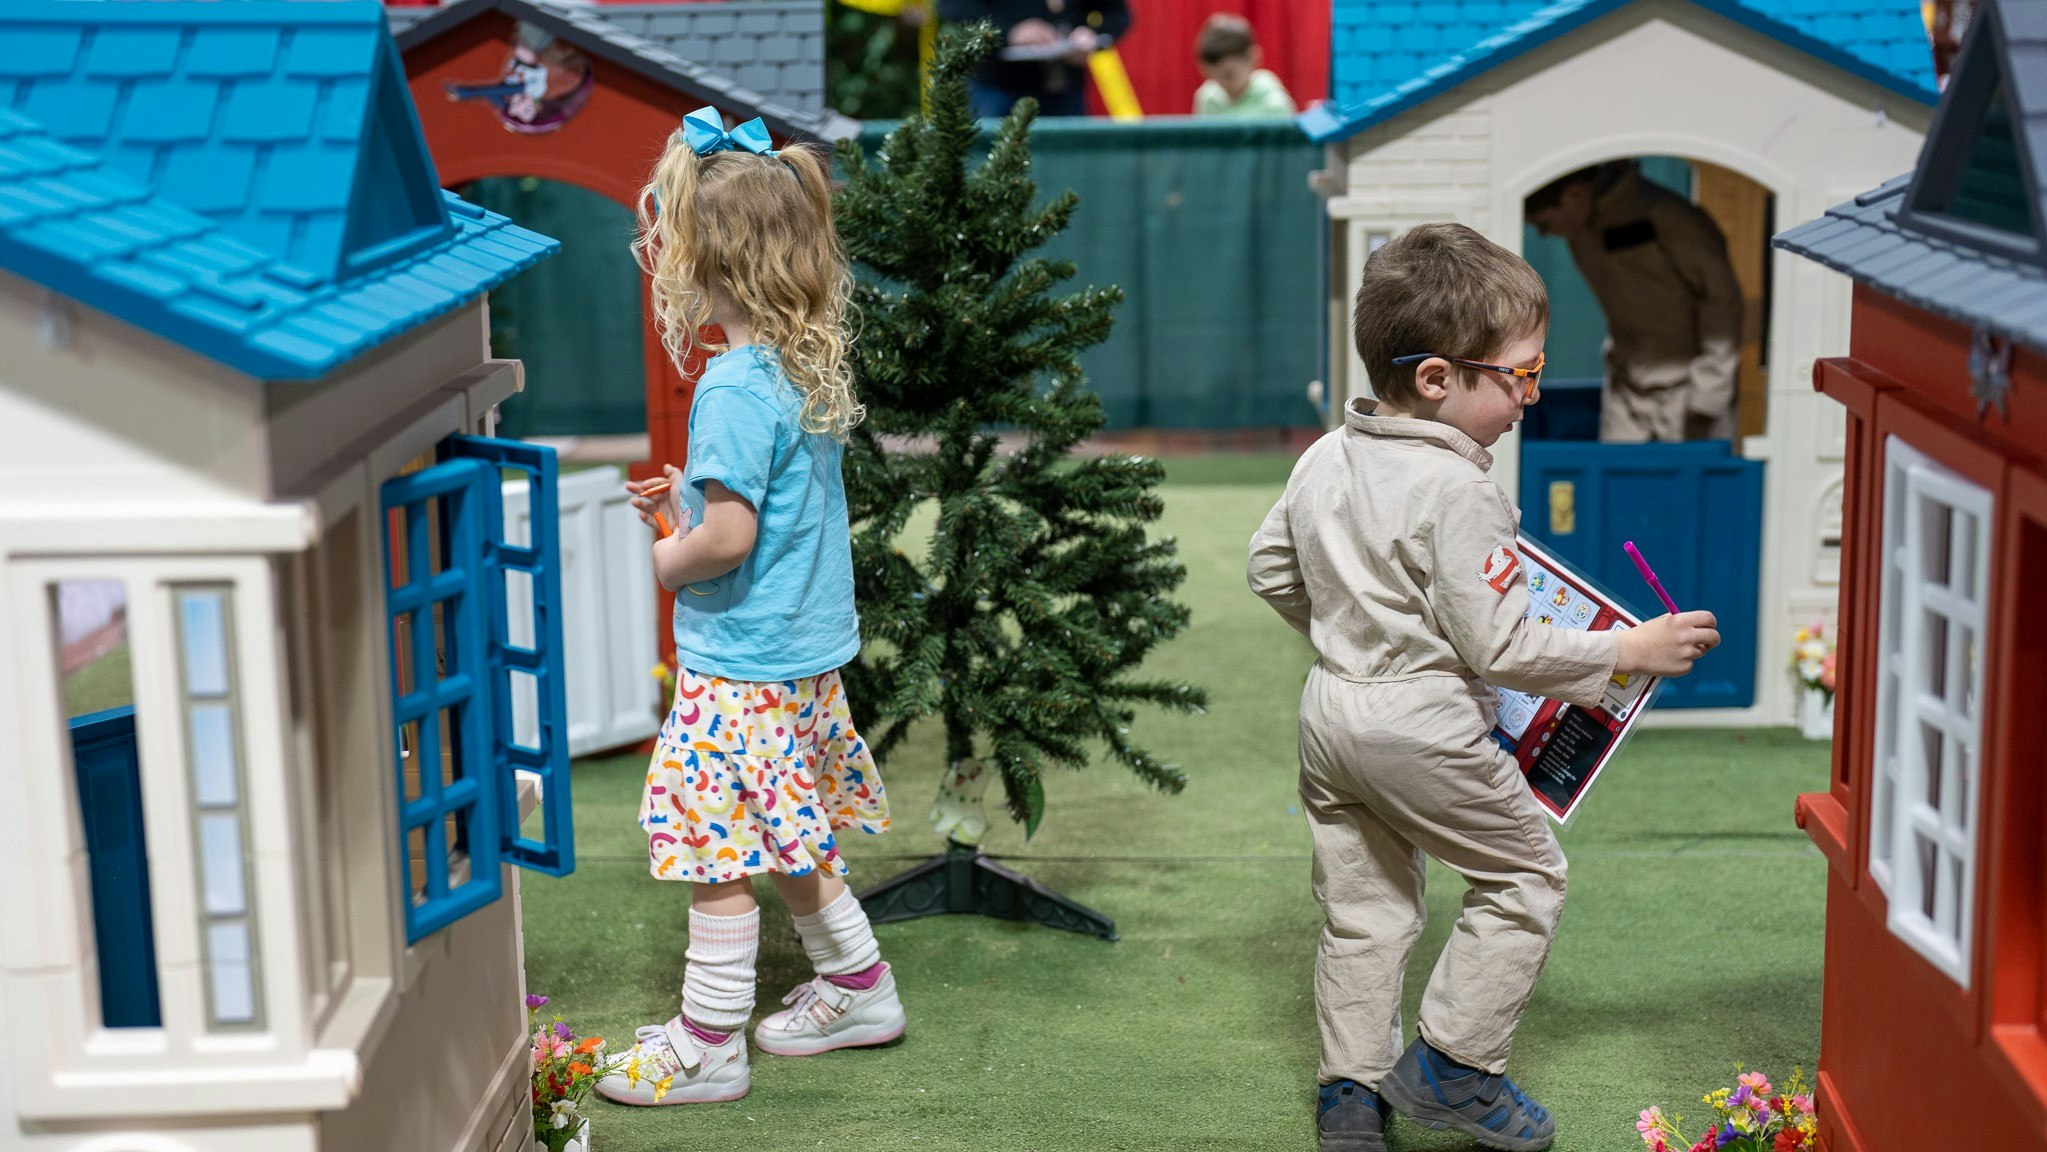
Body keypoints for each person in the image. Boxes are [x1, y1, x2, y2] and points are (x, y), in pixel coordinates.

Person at [1247, 223, 1720, 1152]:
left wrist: (1354, 634)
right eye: (1520, 376)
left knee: (1364, 905)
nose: (1529, 399)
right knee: (1524, 877)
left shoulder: (1324, 456)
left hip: (1330, 714)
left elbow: (1270, 568)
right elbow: (1498, 644)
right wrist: (1630, 649)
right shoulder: (1458, 491)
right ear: (1436, 379)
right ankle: (1455, 1065)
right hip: (1421, 724)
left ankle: (1349, 1093)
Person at [596, 107, 904, 1108]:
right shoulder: (792, 366)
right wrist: (695, 506)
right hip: (797, 660)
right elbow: (767, 515)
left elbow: (725, 544)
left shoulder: (730, 385)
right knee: (791, 831)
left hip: (740, 668)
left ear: (701, 261)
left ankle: (709, 1042)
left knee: (715, 849)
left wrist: (666, 551)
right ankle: (861, 987)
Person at [1525, 160, 1746, 443]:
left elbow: (1722, 299)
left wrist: (1709, 389)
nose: (1544, 233)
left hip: (1690, 386)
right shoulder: (1580, 225)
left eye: (1544, 223)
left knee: (1690, 480)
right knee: (1616, 478)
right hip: (1626, 382)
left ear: (1575, 196)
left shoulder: (1667, 216)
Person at [937, 0, 1131, 119]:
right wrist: (1010, 31)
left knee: (1067, 170)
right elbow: (953, 5)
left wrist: (1092, 35)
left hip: (1065, 88)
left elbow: (1118, 14)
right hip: (997, 86)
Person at [1192, 13, 1295, 117]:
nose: (1221, 84)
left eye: (1228, 75)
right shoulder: (1207, 98)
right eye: (1213, 76)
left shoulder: (1273, 102)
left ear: (1252, 58)